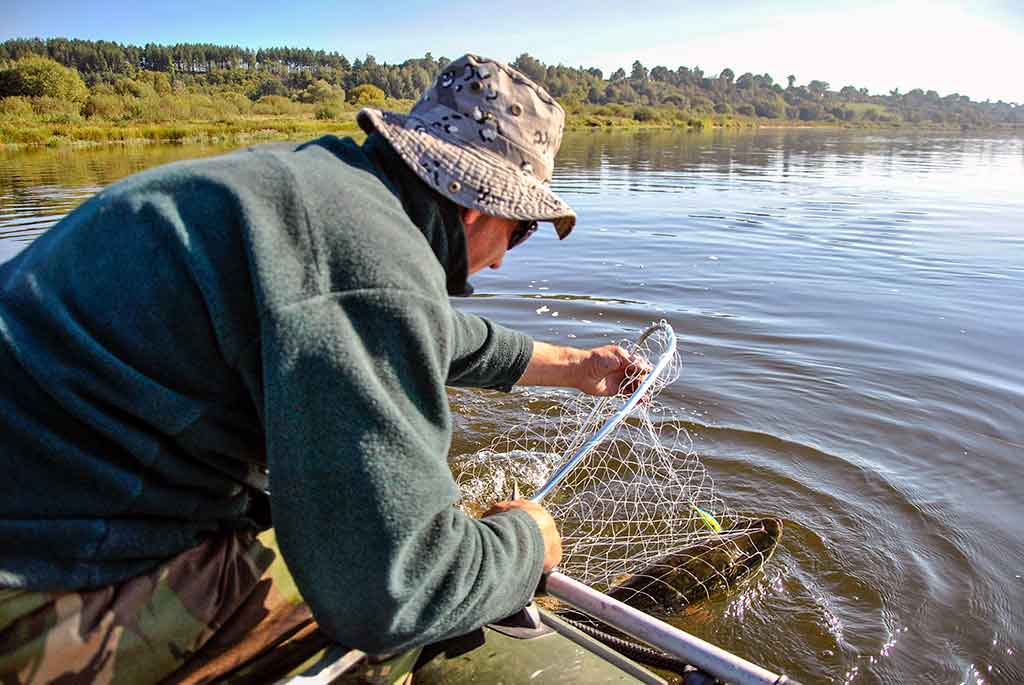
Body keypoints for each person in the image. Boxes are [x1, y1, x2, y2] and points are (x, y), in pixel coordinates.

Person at [0, 54, 643, 683]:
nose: (503, 261)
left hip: (45, 509)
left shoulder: (322, 190)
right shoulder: (369, 257)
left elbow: (425, 330)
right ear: (480, 202)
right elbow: (396, 591)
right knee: (387, 593)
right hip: (37, 587)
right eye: (523, 230)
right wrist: (527, 540)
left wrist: (577, 366)